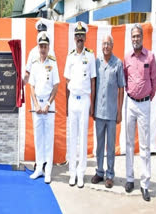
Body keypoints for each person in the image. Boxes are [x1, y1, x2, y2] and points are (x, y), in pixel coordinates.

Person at [123, 24, 156, 202]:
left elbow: (154, 81)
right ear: (131, 38)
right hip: (130, 103)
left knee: (144, 146)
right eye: (133, 36)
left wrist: (146, 98)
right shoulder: (127, 57)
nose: (135, 39)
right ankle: (130, 179)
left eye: (138, 36)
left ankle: (145, 184)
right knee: (129, 143)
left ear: (142, 37)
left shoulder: (150, 57)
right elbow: (124, 77)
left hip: (144, 104)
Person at [64, 21, 96, 188]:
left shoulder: (90, 56)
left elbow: (93, 81)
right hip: (72, 100)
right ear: (74, 37)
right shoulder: (70, 56)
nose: (79, 38)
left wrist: (93, 104)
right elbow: (66, 81)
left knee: (83, 137)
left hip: (84, 100)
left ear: (85, 37)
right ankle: (72, 172)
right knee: (72, 137)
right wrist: (67, 105)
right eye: (77, 35)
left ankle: (81, 173)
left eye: (82, 35)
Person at [91, 35, 125, 188]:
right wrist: (92, 106)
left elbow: (121, 88)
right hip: (99, 112)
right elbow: (93, 85)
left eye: (108, 44)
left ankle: (110, 174)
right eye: (104, 43)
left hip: (111, 113)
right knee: (99, 145)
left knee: (110, 145)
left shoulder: (118, 63)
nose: (106, 46)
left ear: (112, 45)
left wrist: (119, 111)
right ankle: (99, 172)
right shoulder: (96, 63)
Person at [28, 31, 59, 184]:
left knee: (48, 139)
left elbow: (56, 86)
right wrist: (35, 103)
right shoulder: (34, 64)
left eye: (45, 46)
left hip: (48, 106)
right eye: (41, 46)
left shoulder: (52, 63)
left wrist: (47, 104)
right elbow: (31, 86)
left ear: (48, 47)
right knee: (38, 139)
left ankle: (48, 171)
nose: (43, 49)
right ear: (38, 47)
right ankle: (39, 168)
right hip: (37, 106)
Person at [23, 18, 55, 85]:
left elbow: (54, 75)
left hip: (48, 91)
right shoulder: (33, 52)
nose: (42, 34)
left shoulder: (51, 52)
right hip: (35, 91)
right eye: (40, 32)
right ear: (37, 33)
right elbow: (27, 72)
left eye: (44, 31)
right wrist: (21, 83)